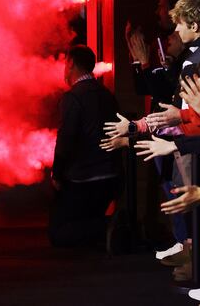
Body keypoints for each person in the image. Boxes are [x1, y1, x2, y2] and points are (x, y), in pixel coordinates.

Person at [49, 45, 121, 248]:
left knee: (59, 233)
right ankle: (105, 228)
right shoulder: (107, 95)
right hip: (110, 176)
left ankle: (107, 227)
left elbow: (66, 139)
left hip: (83, 178)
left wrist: (57, 173)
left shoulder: (73, 97)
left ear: (71, 64)